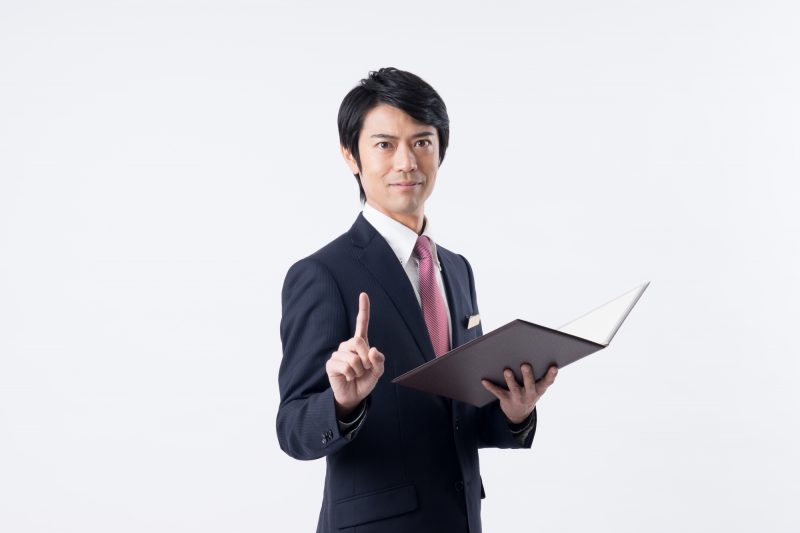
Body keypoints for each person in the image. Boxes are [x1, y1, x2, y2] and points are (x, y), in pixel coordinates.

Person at [276, 67, 558, 533]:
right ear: (350, 155)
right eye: (385, 145)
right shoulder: (321, 274)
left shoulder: (457, 268)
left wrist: (513, 410)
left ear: (440, 150)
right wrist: (342, 404)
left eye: (422, 142)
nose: (406, 162)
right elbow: (292, 428)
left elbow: (460, 414)